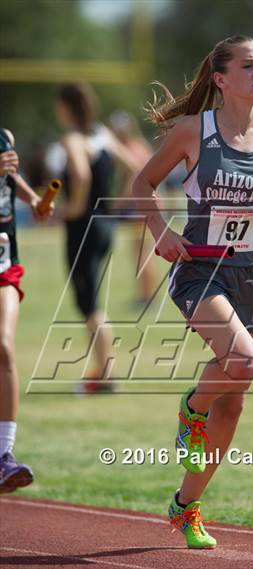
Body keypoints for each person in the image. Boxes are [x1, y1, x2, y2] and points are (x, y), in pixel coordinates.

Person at [133, 35, 253, 549]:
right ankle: (190, 410)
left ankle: (186, 507)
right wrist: (161, 233)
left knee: (235, 405)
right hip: (202, 269)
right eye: (249, 65)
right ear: (221, 79)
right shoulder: (191, 132)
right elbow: (142, 185)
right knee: (242, 361)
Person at [54, 84, 138, 393]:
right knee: (91, 299)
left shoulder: (73, 139)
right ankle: (102, 370)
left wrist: (72, 206)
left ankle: (106, 375)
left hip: (84, 226)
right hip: (105, 225)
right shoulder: (103, 135)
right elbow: (134, 168)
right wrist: (115, 205)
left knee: (89, 303)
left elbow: (81, 173)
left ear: (66, 107)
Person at [0, 128, 53, 493]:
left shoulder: (4, 136)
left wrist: (34, 200)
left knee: (3, 347)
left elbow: (10, 176)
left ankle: (3, 457)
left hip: (4, 266)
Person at [108, 110, 156, 307]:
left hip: (140, 206)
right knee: (141, 252)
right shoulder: (140, 144)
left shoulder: (131, 148)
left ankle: (147, 297)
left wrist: (119, 201)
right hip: (144, 205)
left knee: (141, 253)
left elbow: (135, 176)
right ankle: (145, 296)